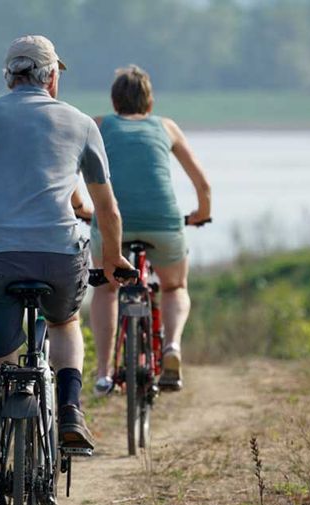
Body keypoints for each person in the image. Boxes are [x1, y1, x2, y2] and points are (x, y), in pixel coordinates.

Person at [0, 35, 134, 505]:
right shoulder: (80, 122)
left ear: (8, 76)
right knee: (65, 320)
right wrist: (113, 259)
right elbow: (106, 207)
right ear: (52, 77)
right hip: (58, 258)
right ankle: (70, 407)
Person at [89, 65, 212, 395]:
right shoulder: (166, 127)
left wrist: (80, 207)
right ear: (150, 102)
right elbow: (203, 184)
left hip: (112, 222)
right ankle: (172, 346)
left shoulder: (99, 126)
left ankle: (103, 373)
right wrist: (201, 214)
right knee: (174, 286)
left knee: (107, 288)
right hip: (163, 222)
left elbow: (70, 171)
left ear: (114, 102)